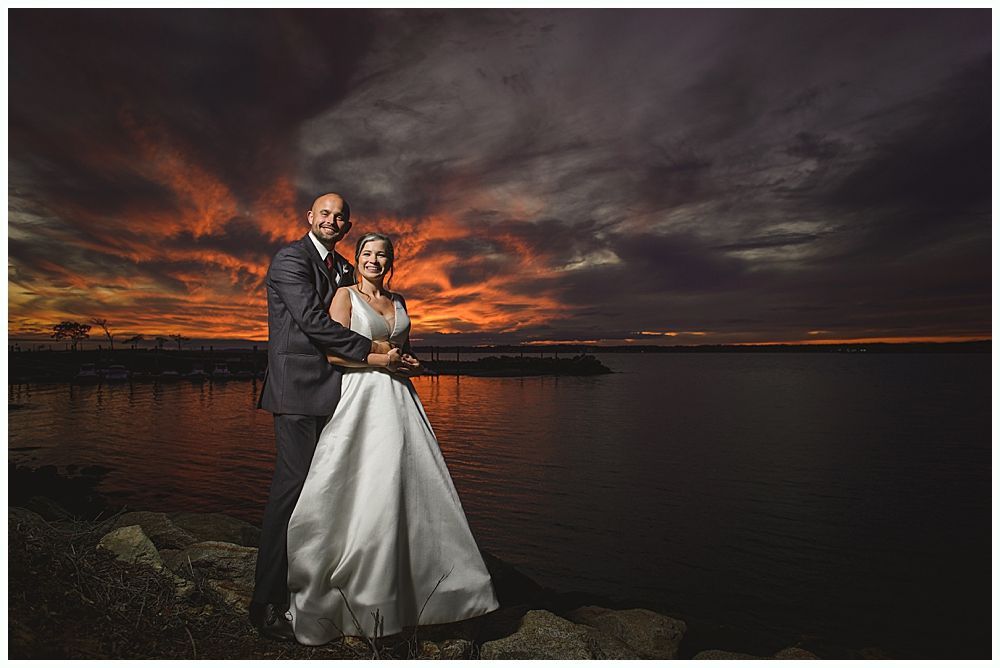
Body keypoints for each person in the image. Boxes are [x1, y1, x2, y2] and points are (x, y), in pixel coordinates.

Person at [285, 232, 499, 645]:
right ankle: (364, 594)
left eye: (382, 255)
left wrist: (408, 362)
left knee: (414, 487)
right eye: (366, 253)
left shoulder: (399, 301)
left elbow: (403, 346)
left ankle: (422, 594)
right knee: (369, 484)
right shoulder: (345, 296)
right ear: (358, 258)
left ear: (390, 262)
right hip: (363, 396)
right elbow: (333, 353)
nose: (373, 260)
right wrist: (384, 360)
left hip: (401, 398)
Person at [251, 193, 399, 640]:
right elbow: (314, 322)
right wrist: (374, 352)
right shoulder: (290, 260)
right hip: (297, 391)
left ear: (346, 226)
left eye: (340, 217)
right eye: (325, 214)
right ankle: (264, 604)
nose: (333, 220)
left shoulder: (343, 270)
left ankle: (317, 590)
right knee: (291, 491)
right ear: (310, 218)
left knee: (328, 494)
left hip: (340, 392)